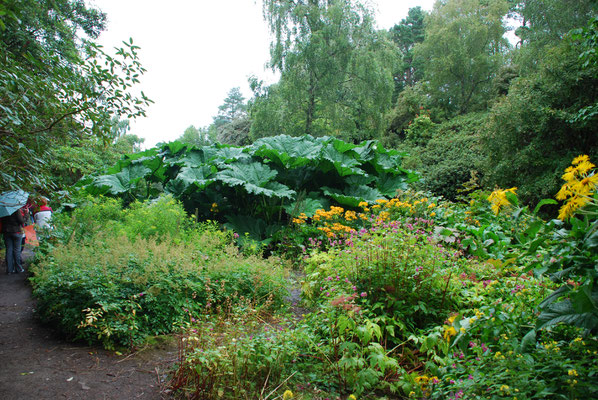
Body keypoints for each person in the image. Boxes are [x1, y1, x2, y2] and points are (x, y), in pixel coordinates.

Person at [1, 208, 25, 274]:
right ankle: (18, 269)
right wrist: (26, 214)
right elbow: (21, 221)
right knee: (17, 250)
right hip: (16, 231)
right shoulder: (15, 209)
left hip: (6, 231)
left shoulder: (2, 210)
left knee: (9, 249)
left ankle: (9, 270)